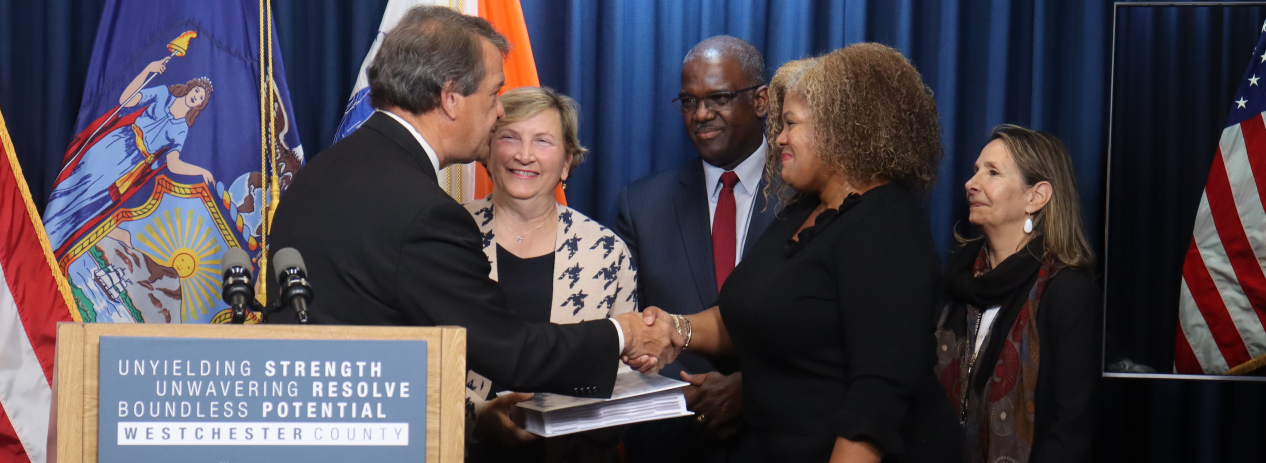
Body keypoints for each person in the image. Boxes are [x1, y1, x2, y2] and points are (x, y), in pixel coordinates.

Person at [268, 6, 678, 404]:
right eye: (494, 92)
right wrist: (623, 332)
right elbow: (512, 353)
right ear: (451, 98)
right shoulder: (427, 211)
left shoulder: (322, 170)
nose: (498, 109)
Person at [637, 43, 961, 462]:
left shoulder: (886, 226)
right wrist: (674, 329)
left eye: (790, 124)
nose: (779, 138)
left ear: (841, 129)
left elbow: (876, 400)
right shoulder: (804, 211)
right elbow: (749, 313)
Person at [615, 35, 774, 463]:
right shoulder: (641, 204)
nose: (701, 115)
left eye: (718, 97)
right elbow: (632, 330)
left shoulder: (805, 196)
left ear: (761, 100)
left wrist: (752, 390)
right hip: (672, 440)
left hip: (778, 436)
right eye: (688, 101)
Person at [463, 86, 637, 462]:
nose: (524, 154)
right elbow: (418, 354)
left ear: (566, 162)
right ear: (488, 150)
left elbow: (624, 375)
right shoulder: (444, 234)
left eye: (542, 141)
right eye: (509, 137)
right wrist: (478, 417)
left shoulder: (606, 251)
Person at [934, 124, 1101, 462]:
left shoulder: (1067, 291)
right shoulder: (953, 281)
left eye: (992, 172)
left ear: (1035, 197)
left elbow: (1073, 430)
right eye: (975, 170)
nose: (971, 183)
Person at [45, 58, 214, 250]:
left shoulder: (182, 129)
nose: (197, 97)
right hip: (119, 141)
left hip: (132, 163)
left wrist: (201, 172)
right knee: (79, 178)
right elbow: (127, 99)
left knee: (94, 198)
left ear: (199, 106)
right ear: (191, 88)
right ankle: (46, 224)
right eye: (197, 92)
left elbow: (173, 164)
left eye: (201, 98)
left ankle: (53, 239)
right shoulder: (163, 94)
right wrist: (148, 70)